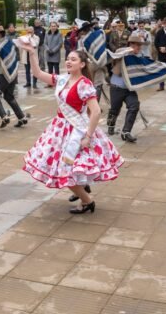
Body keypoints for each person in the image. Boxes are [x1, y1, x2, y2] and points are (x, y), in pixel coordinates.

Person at [21, 45, 124, 214]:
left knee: (66, 170)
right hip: (59, 130)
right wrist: (32, 53)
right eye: (68, 59)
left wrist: (88, 137)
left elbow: (96, 111)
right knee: (66, 169)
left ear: (82, 64)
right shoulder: (63, 79)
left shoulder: (84, 84)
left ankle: (87, 200)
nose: (68, 61)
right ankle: (83, 190)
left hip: (77, 131)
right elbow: (38, 74)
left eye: (73, 59)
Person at [107, 35, 143, 142]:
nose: (139, 48)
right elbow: (116, 54)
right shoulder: (122, 52)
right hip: (116, 86)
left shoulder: (139, 55)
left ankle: (126, 132)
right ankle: (111, 125)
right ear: (131, 45)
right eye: (137, 46)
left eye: (140, 46)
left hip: (129, 88)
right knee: (114, 110)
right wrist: (130, 50)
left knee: (134, 106)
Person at [33, 19, 46, 84]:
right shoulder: (33, 29)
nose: (37, 23)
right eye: (36, 22)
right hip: (35, 46)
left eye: (38, 22)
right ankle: (36, 68)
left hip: (41, 45)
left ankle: (42, 68)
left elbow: (44, 37)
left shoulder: (43, 29)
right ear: (34, 23)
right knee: (35, 58)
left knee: (42, 57)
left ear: (40, 23)